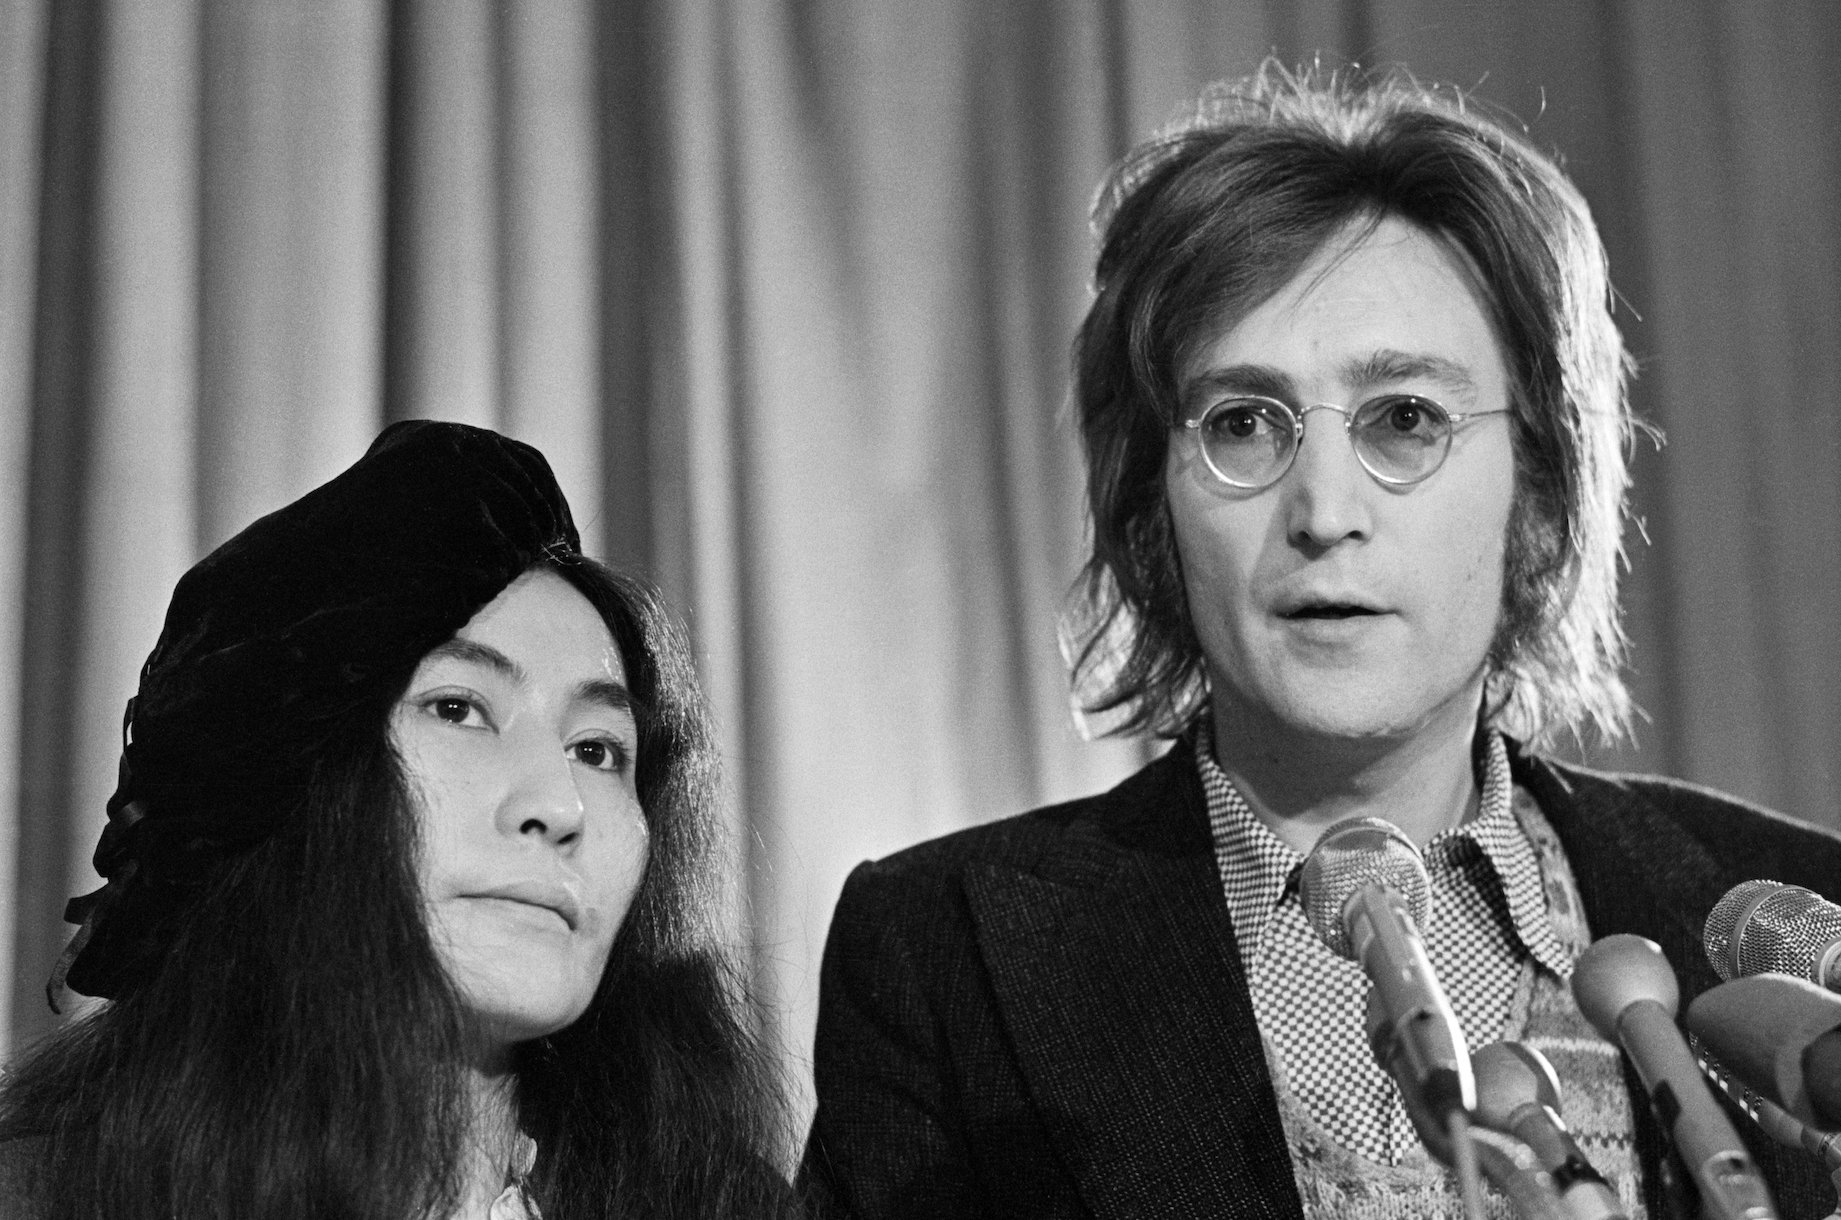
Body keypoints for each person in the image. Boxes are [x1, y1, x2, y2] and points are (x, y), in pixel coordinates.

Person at [801, 62, 1841, 1218]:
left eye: (1405, 418)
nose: (1323, 510)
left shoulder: (1795, 908)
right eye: (1242, 423)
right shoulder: (941, 949)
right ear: (1151, 503)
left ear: (1538, 490)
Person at [0, 421, 801, 1219]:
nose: (557, 807)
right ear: (299, 779)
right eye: (459, 709)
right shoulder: (52, 1196)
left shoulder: (718, 1204)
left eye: (597, 751)